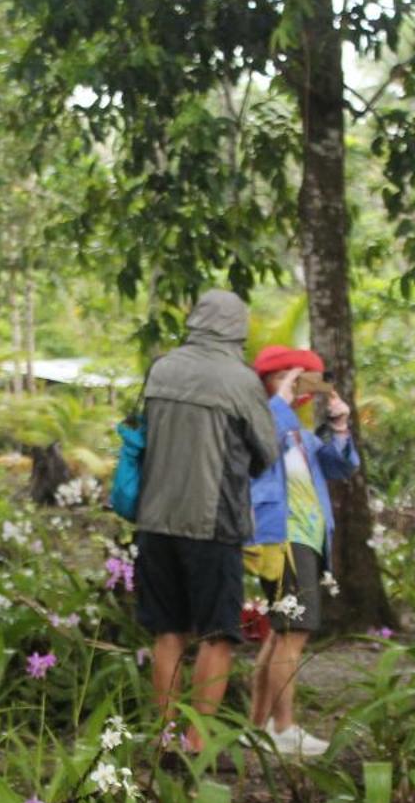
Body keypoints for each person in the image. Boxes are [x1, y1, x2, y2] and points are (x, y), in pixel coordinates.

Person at [133, 289, 279, 753]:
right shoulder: (240, 379)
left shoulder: (162, 368)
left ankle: (166, 735)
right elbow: (267, 451)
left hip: (154, 519)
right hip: (211, 523)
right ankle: (197, 742)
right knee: (217, 633)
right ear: (239, 327)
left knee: (167, 630)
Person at [244, 346, 361, 757]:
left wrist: (340, 424)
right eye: (291, 377)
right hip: (284, 535)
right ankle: (284, 728)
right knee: (294, 632)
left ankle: (258, 728)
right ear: (272, 381)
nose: (300, 387)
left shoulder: (298, 433)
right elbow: (256, 450)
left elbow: (341, 466)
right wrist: (280, 401)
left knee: (282, 631)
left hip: (309, 537)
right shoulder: (260, 419)